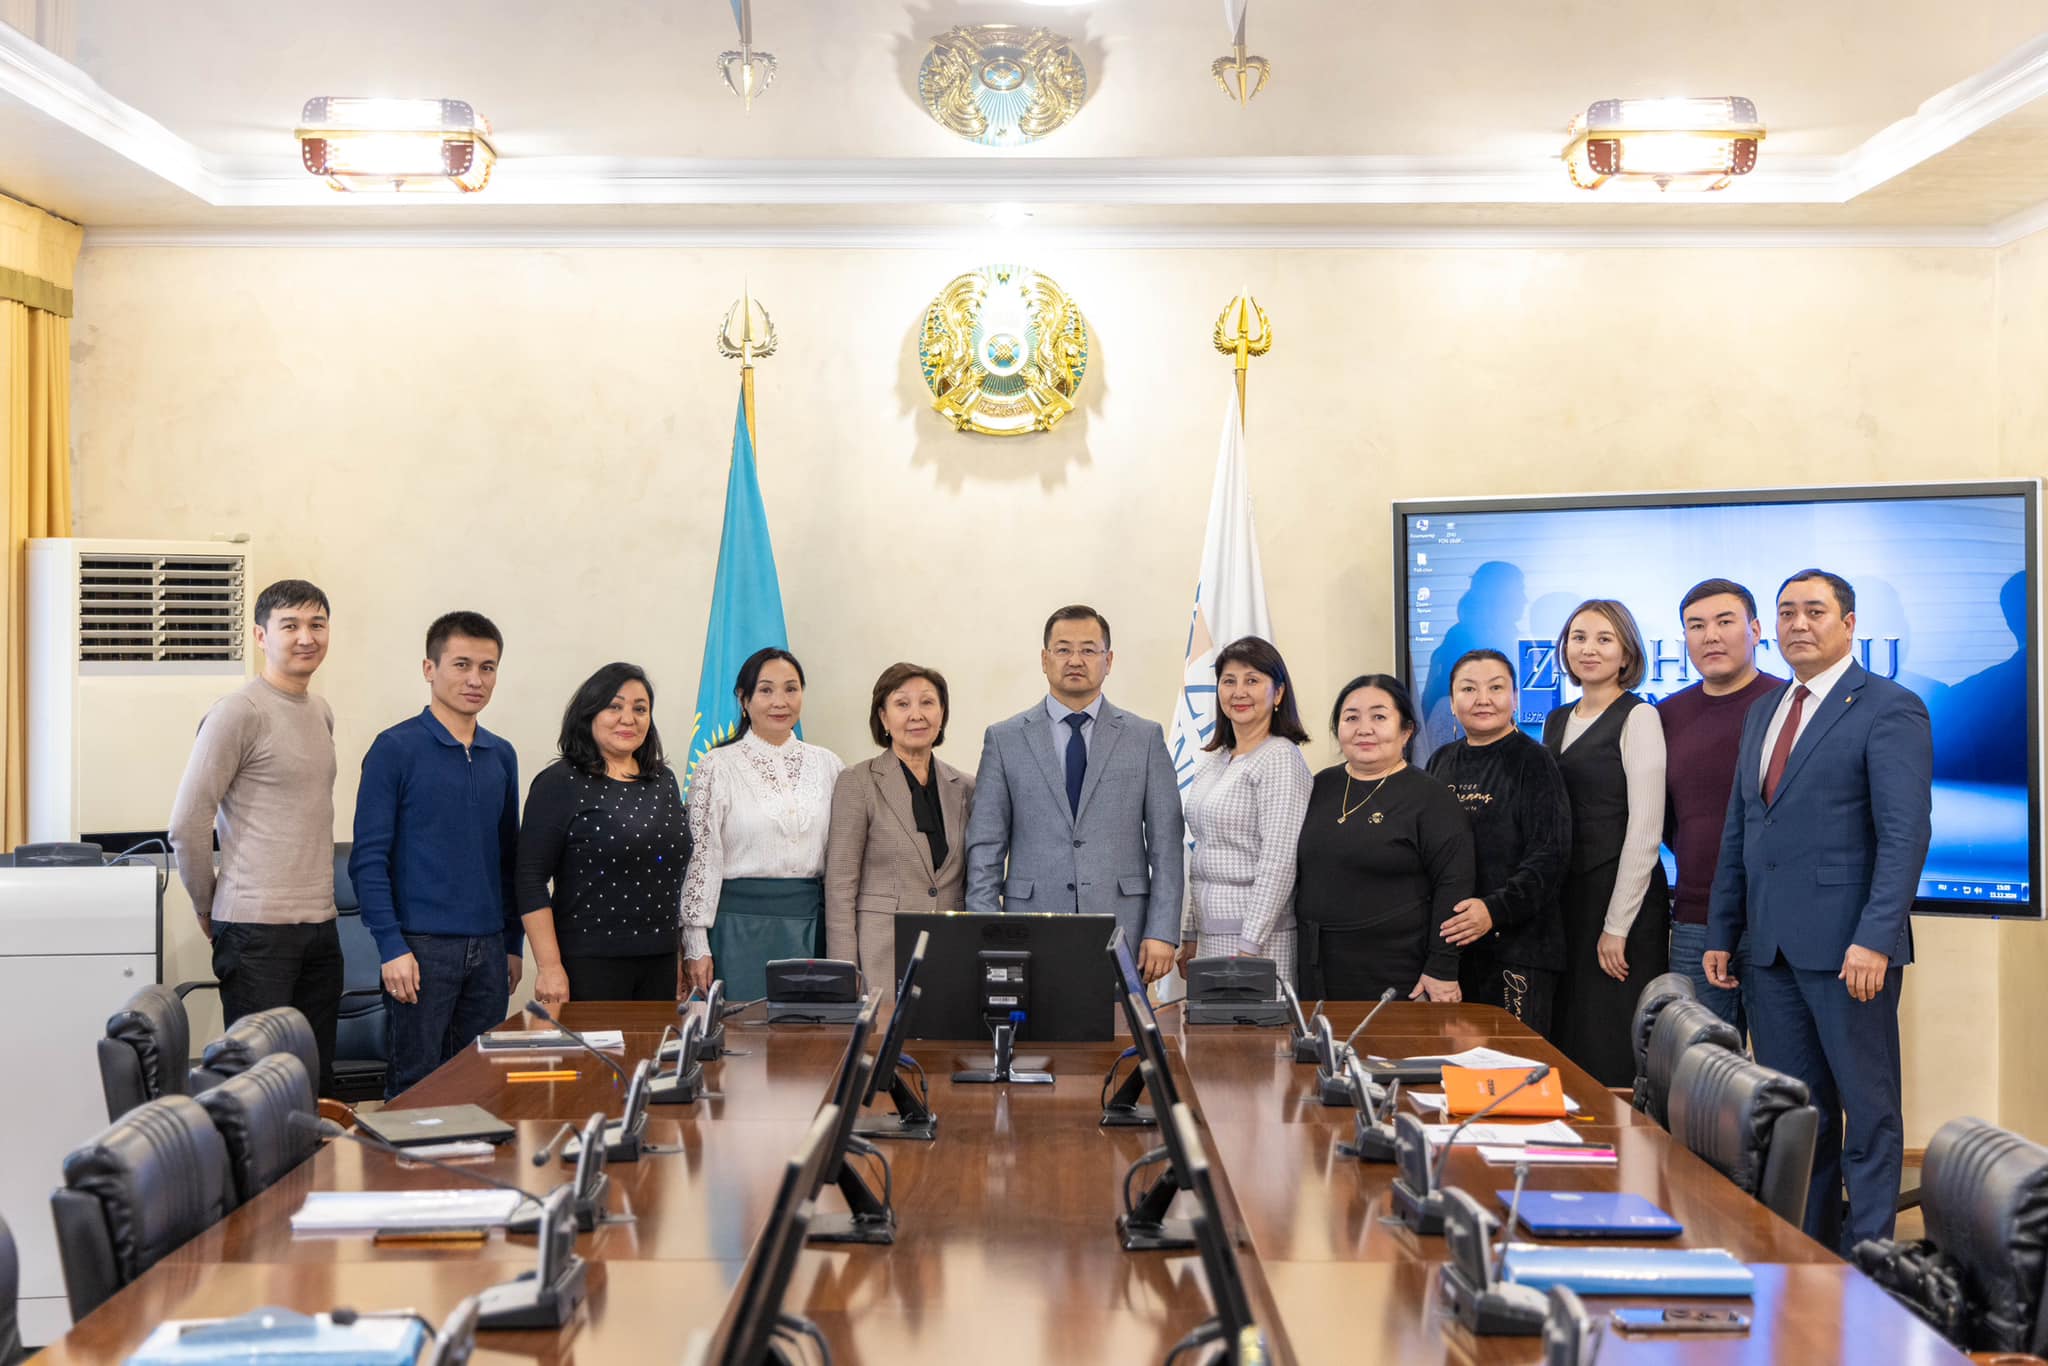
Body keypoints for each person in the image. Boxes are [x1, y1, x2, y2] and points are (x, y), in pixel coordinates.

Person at [1707, 569, 1931, 1252]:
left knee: (1868, 1113)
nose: (1798, 624)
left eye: (1814, 611)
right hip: (1769, 950)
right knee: (1798, 1115)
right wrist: (1724, 929)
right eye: (1786, 613)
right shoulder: (1766, 709)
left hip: (1849, 951)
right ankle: (1810, 1252)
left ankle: (1870, 1259)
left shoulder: (1889, 707)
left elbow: (1904, 836)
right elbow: (1743, 829)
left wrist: (1875, 938)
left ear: (1849, 624)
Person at [168, 579, 341, 1095]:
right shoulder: (238, 712)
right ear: (262, 636)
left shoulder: (320, 711)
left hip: (321, 925)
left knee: (314, 1085)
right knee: (257, 1092)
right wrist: (206, 902)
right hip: (255, 930)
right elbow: (187, 823)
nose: (306, 637)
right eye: (290, 625)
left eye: (317, 624)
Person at [349, 612, 522, 1097]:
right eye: (461, 664)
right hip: (420, 949)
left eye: (487, 668)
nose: (475, 679)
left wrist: (513, 943)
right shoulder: (394, 749)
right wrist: (391, 946)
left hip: (489, 950)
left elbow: (509, 858)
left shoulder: (501, 754)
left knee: (481, 1087)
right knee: (416, 1089)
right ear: (429, 668)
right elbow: (368, 860)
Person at [962, 605, 1185, 983]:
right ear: (1044, 659)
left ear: (1108, 661)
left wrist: (1161, 931)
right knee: (1034, 1021)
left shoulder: (1144, 737)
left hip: (1124, 926)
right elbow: (985, 845)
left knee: (1118, 1020)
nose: (1075, 660)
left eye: (1088, 650)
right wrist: (987, 929)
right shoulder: (1004, 738)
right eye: (1063, 649)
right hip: (1028, 924)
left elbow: (1166, 845)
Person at [1542, 600, 1670, 1087]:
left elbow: (1645, 829)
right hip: (1568, 900)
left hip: (1621, 900)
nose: (1588, 649)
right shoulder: (1556, 719)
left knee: (1611, 1043)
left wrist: (1617, 926)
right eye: (1578, 638)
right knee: (1570, 1038)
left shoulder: (1639, 717)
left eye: (1603, 639)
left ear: (1626, 653)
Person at [515, 662, 690, 1007]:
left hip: (661, 960)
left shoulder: (663, 780)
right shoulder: (559, 782)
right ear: (589, 713)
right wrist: (549, 967)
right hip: (588, 962)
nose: (628, 719)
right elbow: (529, 878)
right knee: (595, 1047)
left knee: (655, 1045)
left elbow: (672, 874)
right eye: (614, 706)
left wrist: (681, 955)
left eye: (640, 709)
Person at [1295, 675, 1472, 1002]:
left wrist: (1442, 967)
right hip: (1316, 965)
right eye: (1351, 718)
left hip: (1396, 969)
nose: (1364, 729)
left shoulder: (1431, 798)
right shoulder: (1318, 786)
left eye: (1379, 717)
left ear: (1406, 730)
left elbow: (1454, 886)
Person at [681, 648, 843, 1000]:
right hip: (737, 927)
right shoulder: (717, 766)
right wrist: (695, 942)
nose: (780, 701)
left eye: (791, 689)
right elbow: (701, 858)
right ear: (744, 698)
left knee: (809, 1028)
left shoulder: (829, 765)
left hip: (812, 926)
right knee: (741, 1030)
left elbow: (841, 858)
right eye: (766, 690)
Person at [1425, 649, 1572, 1033]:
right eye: (1468, 689)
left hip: (1519, 949)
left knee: (1512, 1061)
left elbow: (1550, 856)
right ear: (1452, 702)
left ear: (1515, 699)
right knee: (1451, 1062)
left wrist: (1493, 910)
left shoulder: (1534, 761)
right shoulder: (1440, 761)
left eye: (1495, 688)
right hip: (1452, 951)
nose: (1482, 699)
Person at [1657, 578, 1779, 1037]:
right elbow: (1663, 817)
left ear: (1755, 630)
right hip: (1697, 920)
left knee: (1786, 1066)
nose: (1710, 636)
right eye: (1696, 626)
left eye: (1725, 622)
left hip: (1776, 920)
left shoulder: (1788, 705)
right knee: (1698, 1064)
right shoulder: (1667, 715)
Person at [824, 662, 976, 1000]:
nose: (916, 715)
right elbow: (839, 887)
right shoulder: (858, 782)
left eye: (927, 702)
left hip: (951, 951)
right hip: (881, 954)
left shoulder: (966, 786)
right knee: (885, 1035)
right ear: (883, 717)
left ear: (942, 713)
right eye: (902, 704)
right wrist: (844, 970)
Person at [1175, 637, 1314, 982]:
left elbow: (1279, 861)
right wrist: (1191, 933)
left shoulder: (1280, 757)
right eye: (1229, 681)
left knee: (1253, 1021)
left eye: (1252, 680)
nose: (1239, 692)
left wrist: (1249, 947)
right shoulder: (1216, 759)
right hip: (1211, 937)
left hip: (1257, 943)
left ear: (1278, 693)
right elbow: (1204, 852)